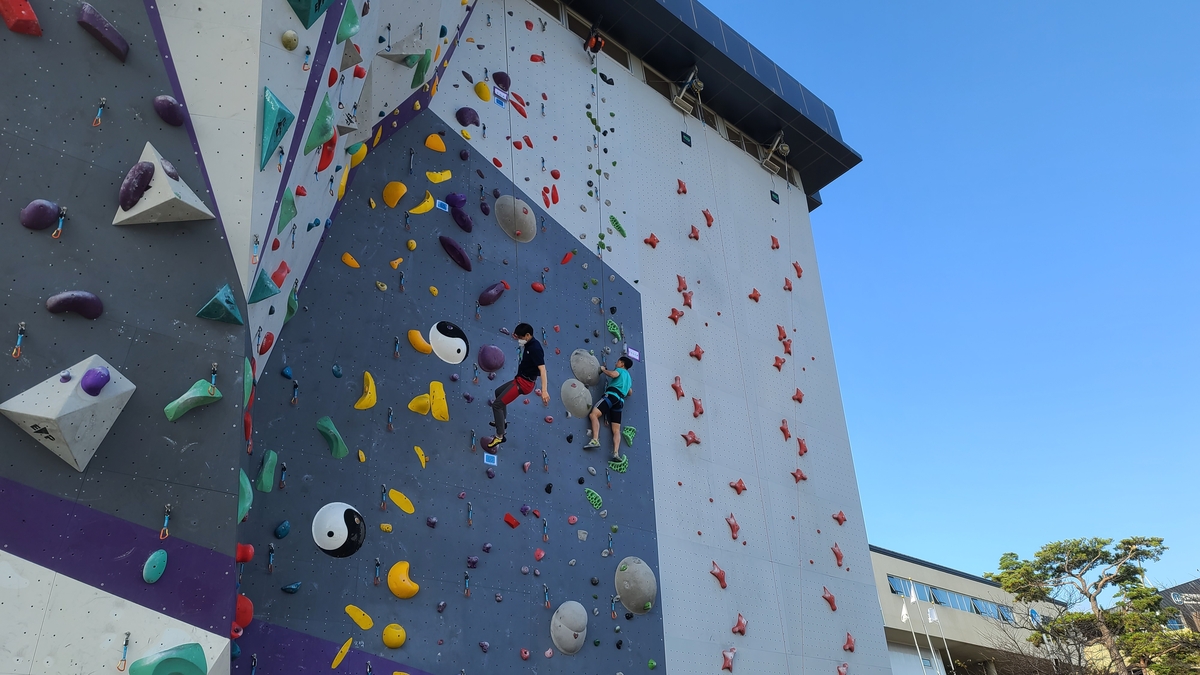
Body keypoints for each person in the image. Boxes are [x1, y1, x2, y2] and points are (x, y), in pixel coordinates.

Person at [484, 323, 548, 450]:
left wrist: (544, 391)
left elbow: (543, 370)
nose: (519, 340)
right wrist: (516, 335)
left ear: (528, 335)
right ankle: (502, 422)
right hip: (519, 379)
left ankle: (500, 435)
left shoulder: (535, 349)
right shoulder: (528, 343)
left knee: (497, 405)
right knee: (498, 392)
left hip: (524, 384)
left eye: (520, 337)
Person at [584, 356, 633, 459]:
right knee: (616, 430)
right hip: (620, 401)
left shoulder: (619, 370)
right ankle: (616, 453)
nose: (616, 363)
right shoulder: (629, 378)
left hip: (612, 395)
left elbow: (613, 374)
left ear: (622, 364)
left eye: (618, 361)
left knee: (593, 415)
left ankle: (595, 440)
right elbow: (630, 392)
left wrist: (603, 370)